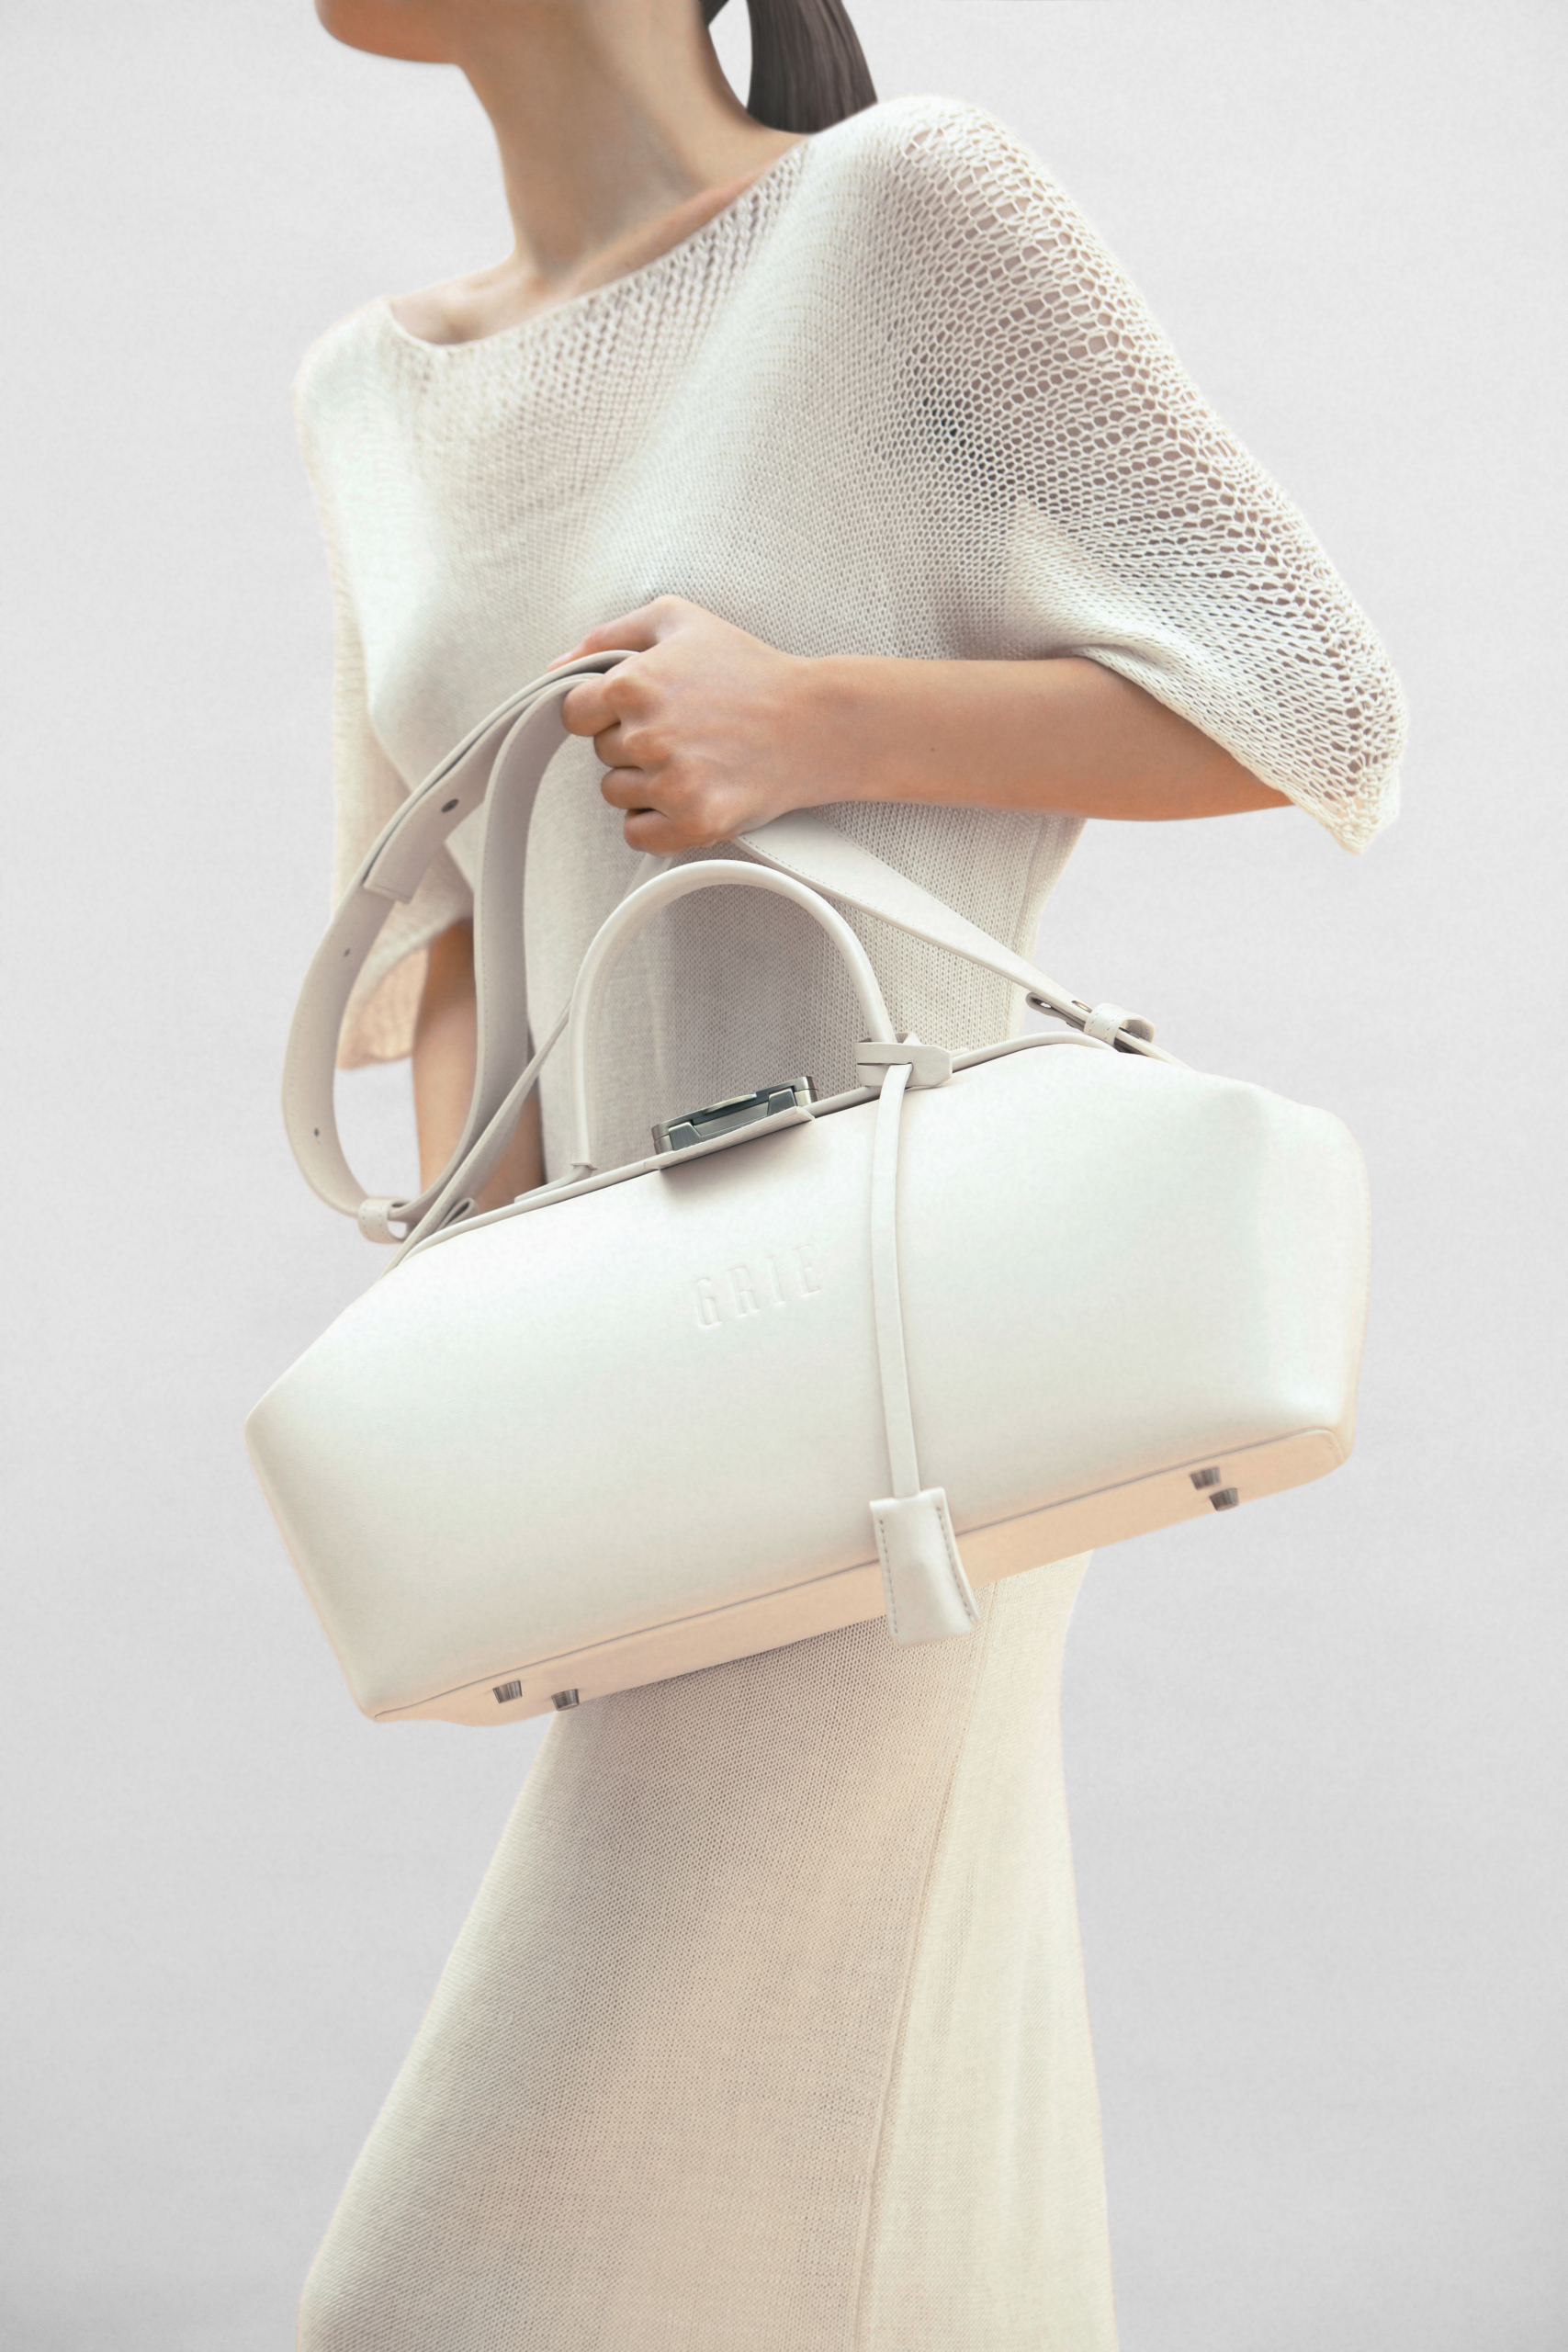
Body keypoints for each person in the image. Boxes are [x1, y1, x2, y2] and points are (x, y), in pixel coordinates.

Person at [291, 0, 1406, 2342]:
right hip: (645, 1390)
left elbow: (1313, 693)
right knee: (828, 2129)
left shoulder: (903, 211)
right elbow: (444, 915)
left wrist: (804, 718)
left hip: (899, 1363)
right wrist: (507, 1351)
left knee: (474, 2250)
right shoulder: (370, 392)